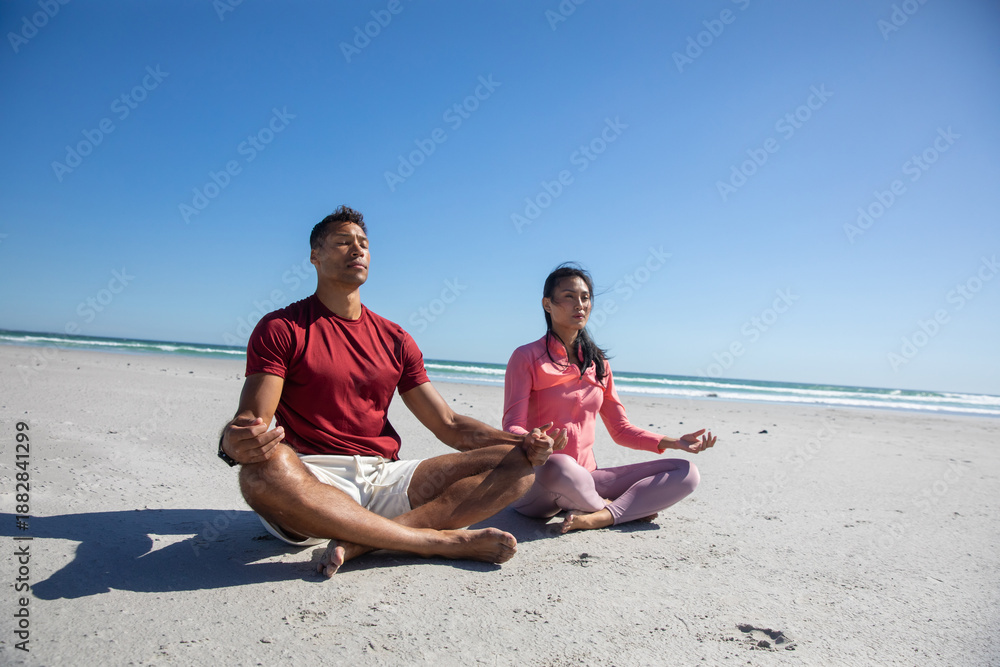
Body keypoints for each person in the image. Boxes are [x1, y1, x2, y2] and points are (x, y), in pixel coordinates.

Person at [219, 206, 564, 576]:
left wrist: (523, 444)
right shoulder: (282, 328)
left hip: (385, 478)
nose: (357, 250)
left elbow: (449, 424)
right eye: (342, 242)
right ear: (315, 257)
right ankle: (435, 541)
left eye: (364, 244)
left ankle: (363, 541)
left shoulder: (394, 338)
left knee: (517, 467)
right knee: (260, 472)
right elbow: (253, 422)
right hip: (311, 482)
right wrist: (233, 442)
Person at [502, 263, 716, 532]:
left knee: (686, 472)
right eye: (568, 296)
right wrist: (534, 439)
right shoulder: (526, 357)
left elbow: (620, 430)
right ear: (547, 304)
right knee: (562, 465)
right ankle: (617, 509)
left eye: (585, 297)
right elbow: (512, 426)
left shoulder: (598, 363)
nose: (579, 304)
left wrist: (674, 442)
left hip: (588, 477)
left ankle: (600, 515)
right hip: (539, 477)